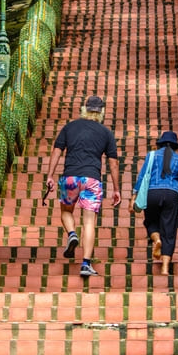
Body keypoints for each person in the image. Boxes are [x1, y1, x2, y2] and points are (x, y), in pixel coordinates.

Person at [45, 95, 122, 277]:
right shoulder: (105, 133)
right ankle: (86, 264)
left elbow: (56, 151)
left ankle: (72, 233)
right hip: (91, 180)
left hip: (70, 178)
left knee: (66, 211)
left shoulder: (69, 127)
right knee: (89, 222)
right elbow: (114, 164)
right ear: (101, 112)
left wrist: (49, 175)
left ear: (84, 109)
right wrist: (117, 189)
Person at [130, 131, 178, 275]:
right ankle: (165, 268)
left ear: (160, 143)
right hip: (171, 194)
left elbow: (142, 176)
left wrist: (133, 197)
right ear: (175, 146)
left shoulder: (151, 156)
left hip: (152, 193)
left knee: (150, 222)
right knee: (169, 231)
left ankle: (156, 239)